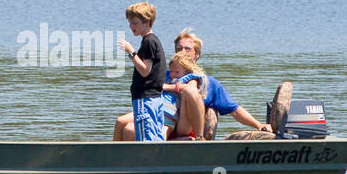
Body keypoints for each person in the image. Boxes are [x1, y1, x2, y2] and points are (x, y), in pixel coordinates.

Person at [114, 28, 275, 139]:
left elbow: (235, 110)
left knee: (190, 92)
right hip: (157, 116)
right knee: (127, 127)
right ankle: (117, 169)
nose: (182, 52)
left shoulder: (207, 82)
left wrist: (258, 124)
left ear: (197, 54)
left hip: (182, 128)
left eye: (187, 49)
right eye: (179, 49)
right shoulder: (163, 74)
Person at [117, 2, 166, 142]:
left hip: (145, 98)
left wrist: (131, 51)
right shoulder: (153, 40)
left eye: (135, 23)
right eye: (130, 23)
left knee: (146, 139)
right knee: (156, 138)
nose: (131, 27)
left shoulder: (148, 42)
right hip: (155, 98)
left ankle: (148, 163)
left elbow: (145, 71)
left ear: (147, 22)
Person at [160, 52, 209, 140]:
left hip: (173, 117)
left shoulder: (191, 79)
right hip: (158, 110)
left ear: (187, 71)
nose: (173, 74)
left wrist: (168, 87)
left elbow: (191, 90)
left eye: (177, 72)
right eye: (171, 71)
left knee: (162, 134)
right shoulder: (167, 77)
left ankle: (199, 137)